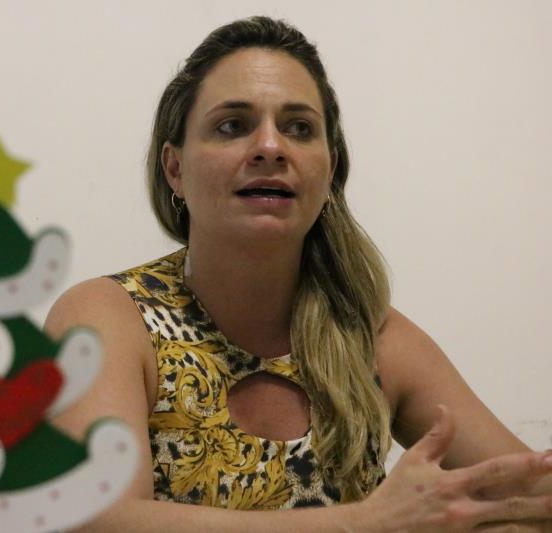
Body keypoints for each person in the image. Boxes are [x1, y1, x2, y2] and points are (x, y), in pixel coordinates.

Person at [44, 16, 552, 531]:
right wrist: (364, 524)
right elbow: (91, 519)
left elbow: (534, 494)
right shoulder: (107, 319)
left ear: (328, 172)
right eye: (232, 125)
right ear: (175, 169)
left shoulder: (370, 337)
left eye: (299, 128)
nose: (271, 147)